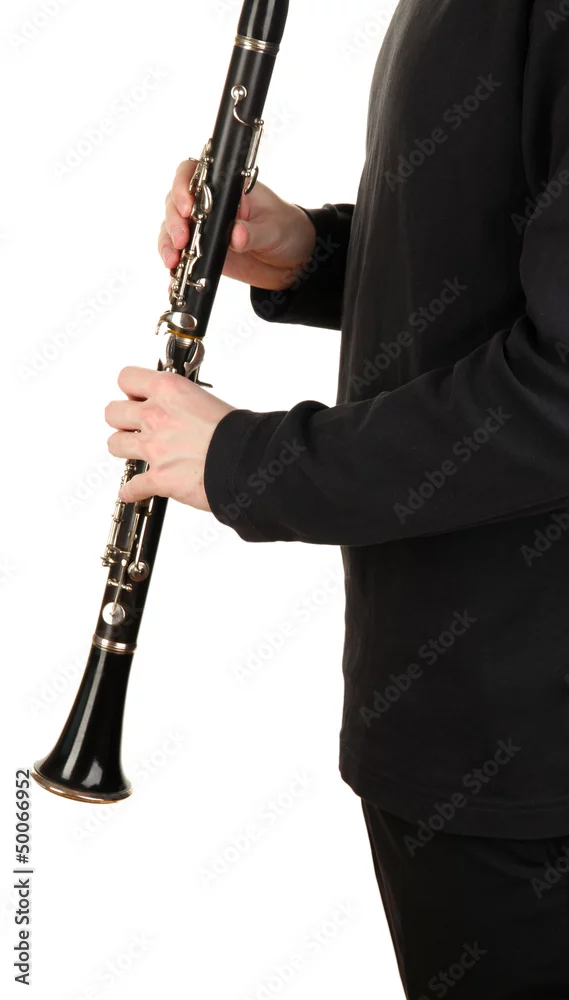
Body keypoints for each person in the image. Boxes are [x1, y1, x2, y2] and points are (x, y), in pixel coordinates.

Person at [105, 1, 569, 994]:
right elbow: (497, 264)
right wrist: (305, 253)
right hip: (454, 710)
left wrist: (253, 462)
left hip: (526, 752)